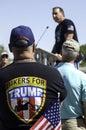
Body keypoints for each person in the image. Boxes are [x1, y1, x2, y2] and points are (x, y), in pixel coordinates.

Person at [0, 25, 67, 130]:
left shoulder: (1, 75)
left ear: (10, 48)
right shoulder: (53, 75)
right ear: (34, 47)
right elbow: (60, 99)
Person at [55, 39, 86, 130]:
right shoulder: (82, 77)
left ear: (61, 52)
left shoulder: (50, 74)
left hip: (52, 123)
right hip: (75, 124)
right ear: (77, 55)